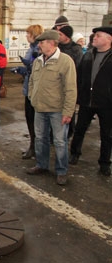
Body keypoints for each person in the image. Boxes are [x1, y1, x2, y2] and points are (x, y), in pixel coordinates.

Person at [27, 30, 77, 186]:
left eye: (41, 42)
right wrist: (32, 96)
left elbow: (70, 89)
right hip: (39, 108)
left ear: (51, 43)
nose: (39, 45)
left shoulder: (65, 61)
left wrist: (68, 112)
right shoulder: (38, 61)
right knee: (40, 138)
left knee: (60, 141)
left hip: (57, 110)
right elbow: (32, 81)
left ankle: (61, 171)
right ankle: (42, 165)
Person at [69, 26, 112, 176]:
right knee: (80, 129)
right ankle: (74, 154)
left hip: (106, 103)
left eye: (98, 35)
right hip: (87, 101)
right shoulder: (88, 55)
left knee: (107, 134)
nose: (94, 37)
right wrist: (79, 95)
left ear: (109, 39)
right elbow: (79, 76)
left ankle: (105, 163)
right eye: (94, 35)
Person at [11, 24, 44, 159]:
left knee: (37, 121)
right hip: (28, 89)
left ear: (33, 34)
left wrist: (23, 69)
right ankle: (33, 147)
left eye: (28, 34)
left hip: (36, 91)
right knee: (29, 119)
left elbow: (36, 69)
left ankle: (37, 149)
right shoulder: (31, 49)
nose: (26, 36)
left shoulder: (40, 49)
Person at [57, 25, 83, 139]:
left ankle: (69, 131)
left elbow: (78, 68)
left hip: (69, 83)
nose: (58, 36)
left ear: (67, 36)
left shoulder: (76, 49)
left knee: (68, 109)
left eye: (60, 34)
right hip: (57, 84)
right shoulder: (57, 47)